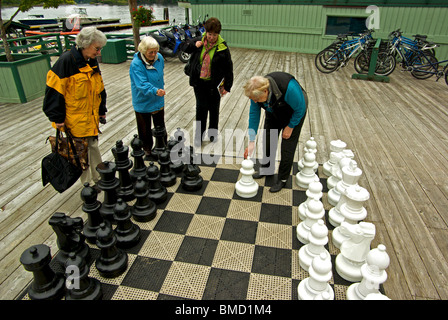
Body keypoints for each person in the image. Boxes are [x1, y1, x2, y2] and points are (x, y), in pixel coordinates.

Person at [43, 26, 108, 192]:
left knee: (93, 146)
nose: (99, 52)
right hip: (75, 118)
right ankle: (88, 185)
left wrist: (102, 109)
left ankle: (99, 177)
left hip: (90, 117)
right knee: (81, 152)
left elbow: (99, 89)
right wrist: (57, 118)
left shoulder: (91, 62)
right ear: (85, 44)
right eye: (97, 48)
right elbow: (53, 93)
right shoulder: (65, 62)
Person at [243, 72, 308, 193]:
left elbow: (300, 108)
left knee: (287, 146)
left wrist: (291, 126)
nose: (255, 102)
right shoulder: (256, 94)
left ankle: (282, 179)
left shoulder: (289, 88)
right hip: (273, 110)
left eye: (256, 99)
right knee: (269, 139)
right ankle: (267, 169)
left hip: (295, 111)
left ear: (266, 92)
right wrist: (251, 141)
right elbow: (254, 115)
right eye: (253, 99)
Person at [183, 17, 234, 147]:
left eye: (214, 34)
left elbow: (229, 67)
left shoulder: (223, 47)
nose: (211, 37)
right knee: (201, 109)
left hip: (215, 84)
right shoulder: (199, 40)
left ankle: (212, 135)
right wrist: (194, 45)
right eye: (209, 34)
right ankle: (198, 137)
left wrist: (227, 85)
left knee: (214, 109)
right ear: (206, 32)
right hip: (199, 83)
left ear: (218, 34)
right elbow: (185, 48)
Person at [129, 36, 166, 160]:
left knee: (160, 126)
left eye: (156, 51)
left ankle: (162, 147)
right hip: (143, 101)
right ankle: (148, 152)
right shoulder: (136, 64)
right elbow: (142, 84)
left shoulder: (159, 58)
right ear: (143, 51)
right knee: (145, 130)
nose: (154, 54)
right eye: (151, 52)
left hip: (158, 99)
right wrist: (155, 90)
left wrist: (158, 90)